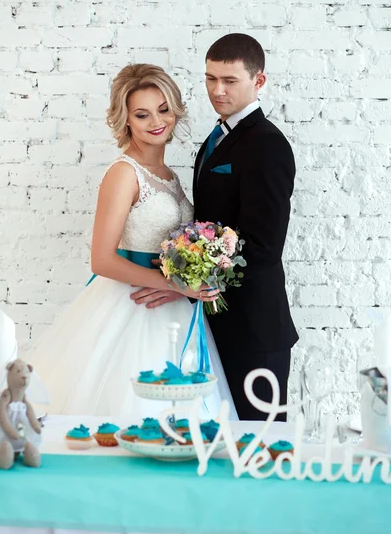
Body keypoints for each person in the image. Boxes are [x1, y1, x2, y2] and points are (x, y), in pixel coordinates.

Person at [25, 63, 237, 423]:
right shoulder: (123, 174)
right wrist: (174, 284)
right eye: (142, 114)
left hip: (173, 306)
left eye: (163, 109)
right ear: (126, 120)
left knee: (181, 408)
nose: (156, 120)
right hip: (130, 304)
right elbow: (101, 260)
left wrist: (190, 279)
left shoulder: (169, 176)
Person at [132, 35, 298, 421]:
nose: (217, 90)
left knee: (260, 448)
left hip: (254, 329)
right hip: (216, 324)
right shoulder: (219, 136)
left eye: (229, 80)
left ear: (259, 82)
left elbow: (263, 247)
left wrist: (192, 289)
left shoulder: (267, 145)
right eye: (210, 79)